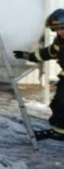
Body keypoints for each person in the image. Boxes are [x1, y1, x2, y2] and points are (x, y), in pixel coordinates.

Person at [14, 8, 64, 141]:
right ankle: (58, 131)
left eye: (61, 28)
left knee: (62, 104)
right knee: (57, 104)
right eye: (56, 29)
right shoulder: (60, 41)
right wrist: (28, 56)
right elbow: (48, 52)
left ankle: (60, 133)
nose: (59, 32)